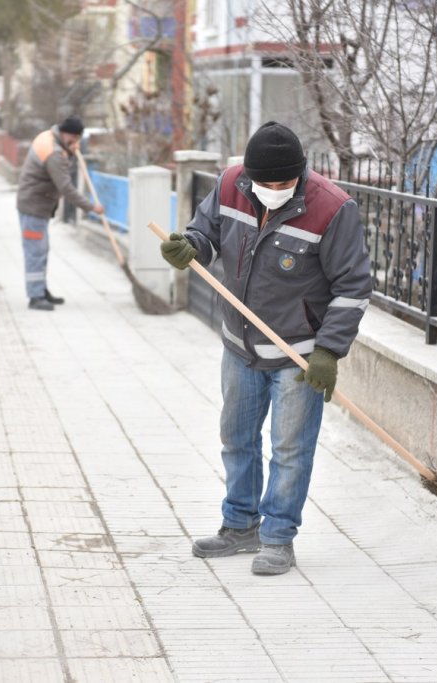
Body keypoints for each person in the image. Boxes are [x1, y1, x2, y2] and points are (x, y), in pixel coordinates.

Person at [159, 121, 372, 575]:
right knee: (236, 439)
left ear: (301, 173)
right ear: (249, 176)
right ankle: (240, 526)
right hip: (239, 344)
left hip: (298, 352)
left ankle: (277, 537)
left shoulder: (332, 209)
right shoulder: (229, 186)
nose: (275, 189)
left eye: (285, 183)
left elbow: (353, 286)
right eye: (266, 182)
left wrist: (329, 351)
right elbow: (205, 232)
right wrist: (190, 246)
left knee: (291, 449)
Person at [15, 115, 104, 311]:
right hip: (34, 206)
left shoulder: (50, 137)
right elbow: (65, 187)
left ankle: (40, 290)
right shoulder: (54, 153)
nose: (76, 143)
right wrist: (91, 207)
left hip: (35, 205)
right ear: (67, 134)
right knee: (35, 252)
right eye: (75, 139)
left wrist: (70, 152)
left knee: (41, 250)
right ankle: (35, 297)